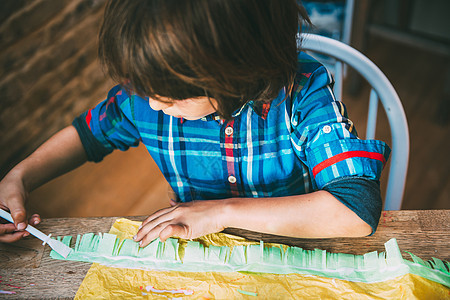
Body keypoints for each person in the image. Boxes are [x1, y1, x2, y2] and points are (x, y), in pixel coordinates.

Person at [0, 0, 390, 247]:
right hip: (203, 255)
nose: (153, 104)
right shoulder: (147, 96)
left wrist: (220, 212)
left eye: (172, 96)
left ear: (239, 71)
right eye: (146, 89)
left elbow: (355, 208)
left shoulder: (302, 92)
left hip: (298, 249)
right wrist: (20, 177)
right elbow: (87, 135)